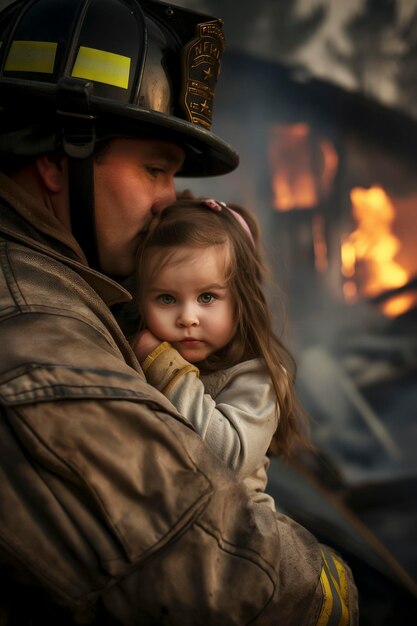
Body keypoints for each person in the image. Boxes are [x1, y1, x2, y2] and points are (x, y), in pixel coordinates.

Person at [0, 0, 358, 624]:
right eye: (153, 170)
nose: (170, 201)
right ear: (59, 162)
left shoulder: (66, 284)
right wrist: (336, 589)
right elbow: (218, 577)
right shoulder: (39, 337)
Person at [131, 197, 308, 510]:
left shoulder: (258, 380)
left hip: (239, 538)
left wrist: (167, 369)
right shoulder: (135, 354)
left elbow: (228, 459)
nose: (187, 317)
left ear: (241, 300)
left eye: (207, 296)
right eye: (167, 299)